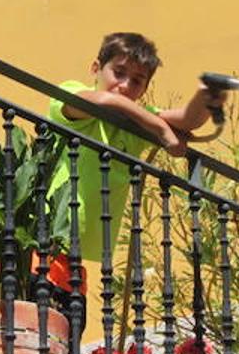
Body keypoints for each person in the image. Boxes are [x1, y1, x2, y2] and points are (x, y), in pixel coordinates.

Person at [46, 32, 228, 269]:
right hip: (45, 232)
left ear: (144, 89)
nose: (124, 86)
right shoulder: (72, 91)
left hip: (75, 252)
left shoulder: (133, 123)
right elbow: (103, 101)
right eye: (119, 73)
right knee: (36, 303)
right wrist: (159, 128)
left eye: (136, 81)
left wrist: (206, 97)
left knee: (65, 305)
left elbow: (187, 121)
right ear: (95, 68)